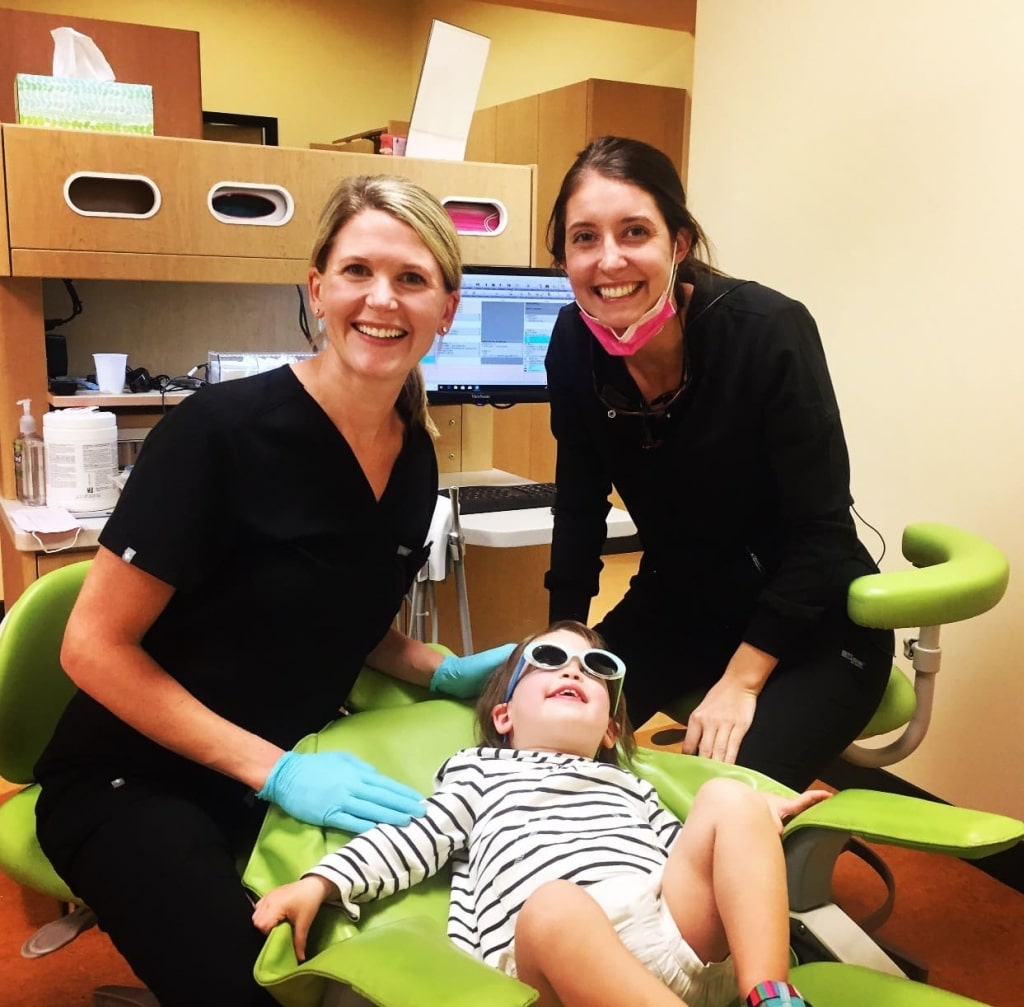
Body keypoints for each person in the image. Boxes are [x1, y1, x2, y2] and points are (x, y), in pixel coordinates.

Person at [33, 174, 513, 1007]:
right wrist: (275, 770)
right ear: (317, 286)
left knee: (434, 940)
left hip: (289, 764)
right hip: (133, 780)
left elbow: (336, 611)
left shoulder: (415, 453)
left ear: (448, 306)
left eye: (411, 278)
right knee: (250, 990)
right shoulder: (216, 435)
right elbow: (90, 645)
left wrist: (434, 666)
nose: (382, 299)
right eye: (358, 270)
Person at [542, 136, 894, 792]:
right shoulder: (571, 345)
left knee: (722, 799)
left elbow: (823, 533)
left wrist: (741, 680)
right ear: (564, 256)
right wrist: (566, 639)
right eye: (584, 238)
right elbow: (581, 500)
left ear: (678, 244)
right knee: (541, 745)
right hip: (680, 607)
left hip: (812, 629)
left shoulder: (768, 332)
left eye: (634, 231)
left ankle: (790, 816)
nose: (608, 259)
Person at [253, 620, 828, 1007]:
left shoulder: (627, 784)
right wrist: (323, 880)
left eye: (596, 668)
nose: (574, 672)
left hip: (676, 938)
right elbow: (413, 838)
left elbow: (689, 856)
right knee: (553, 905)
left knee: (729, 797)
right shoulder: (479, 772)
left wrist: (754, 816)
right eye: (548, 660)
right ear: (504, 716)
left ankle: (771, 995)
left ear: (609, 730)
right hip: (557, 967)